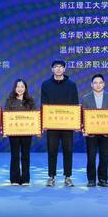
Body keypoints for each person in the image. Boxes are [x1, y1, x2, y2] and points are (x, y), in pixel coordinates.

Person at [40, 59, 79, 187]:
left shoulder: (71, 85)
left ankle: (68, 177)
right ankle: (51, 177)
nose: (58, 68)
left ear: (64, 69)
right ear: (52, 69)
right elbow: (43, 104)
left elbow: (75, 104)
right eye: (56, 66)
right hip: (52, 124)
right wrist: (44, 122)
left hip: (68, 124)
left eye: (61, 66)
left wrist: (76, 122)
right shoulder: (46, 85)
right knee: (52, 150)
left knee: (68, 150)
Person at [80, 74, 108, 188]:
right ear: (91, 85)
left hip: (106, 133)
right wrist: (83, 128)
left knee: (104, 157)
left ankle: (103, 179)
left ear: (104, 84)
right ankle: (91, 180)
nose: (98, 85)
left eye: (100, 82)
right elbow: (82, 116)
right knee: (91, 157)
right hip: (90, 133)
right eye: (95, 83)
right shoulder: (85, 98)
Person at [4, 79, 35, 186]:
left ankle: (25, 179)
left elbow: (34, 116)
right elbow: (6, 115)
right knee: (15, 155)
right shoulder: (10, 101)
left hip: (27, 133)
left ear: (25, 88)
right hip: (14, 133)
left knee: (26, 155)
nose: (20, 89)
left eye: (22, 86)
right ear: (15, 88)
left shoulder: (30, 101)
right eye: (18, 86)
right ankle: (14, 179)